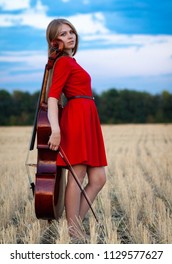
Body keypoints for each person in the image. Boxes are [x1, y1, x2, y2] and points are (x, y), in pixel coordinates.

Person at [46, 18, 107, 240]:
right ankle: (74, 232)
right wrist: (55, 129)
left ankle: (73, 227)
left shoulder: (74, 62)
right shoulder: (62, 62)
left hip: (88, 117)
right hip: (77, 118)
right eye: (63, 34)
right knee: (77, 175)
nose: (70, 36)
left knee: (99, 178)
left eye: (71, 31)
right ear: (55, 40)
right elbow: (52, 97)